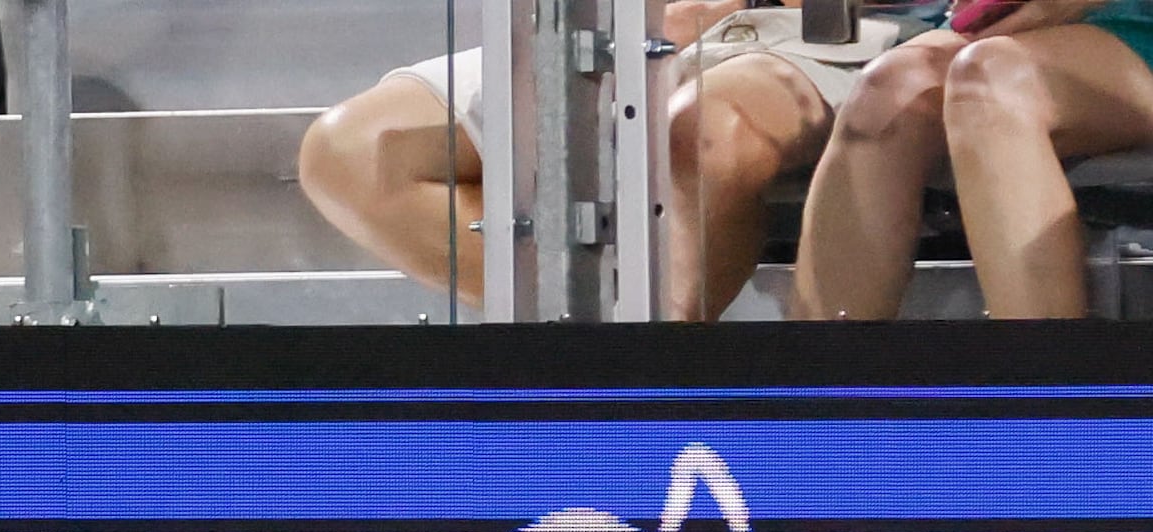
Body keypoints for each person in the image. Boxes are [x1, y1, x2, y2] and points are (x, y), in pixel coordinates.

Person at [299, 5, 940, 319]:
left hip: (835, 23)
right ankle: (596, 352)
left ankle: (651, 403)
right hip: (620, 18)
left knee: (694, 138)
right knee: (351, 153)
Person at [794, 0, 1153, 316]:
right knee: (886, 90)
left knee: (990, 83)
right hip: (1010, 20)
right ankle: (823, 379)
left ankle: (1043, 378)